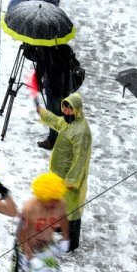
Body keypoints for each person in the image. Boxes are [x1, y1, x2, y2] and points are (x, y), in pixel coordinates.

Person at [35, 92, 91, 250]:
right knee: (61, 204)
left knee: (73, 209)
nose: (66, 112)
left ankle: (72, 242)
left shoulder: (82, 131)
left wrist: (72, 180)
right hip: (60, 175)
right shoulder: (68, 122)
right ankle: (61, 224)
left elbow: (81, 159)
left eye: (69, 110)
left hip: (71, 178)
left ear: (77, 110)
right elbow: (56, 121)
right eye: (64, 109)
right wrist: (44, 113)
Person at [22, 42, 81, 151]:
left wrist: (26, 47)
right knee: (64, 111)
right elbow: (76, 65)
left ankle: (52, 140)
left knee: (53, 114)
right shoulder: (66, 48)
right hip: (65, 86)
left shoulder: (45, 50)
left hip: (53, 88)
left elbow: (35, 59)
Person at [15, 173, 69, 272]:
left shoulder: (61, 204)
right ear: (42, 197)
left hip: (47, 246)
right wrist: (30, 257)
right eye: (50, 201)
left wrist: (65, 238)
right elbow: (20, 235)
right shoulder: (29, 209)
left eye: (56, 200)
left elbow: (64, 218)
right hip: (28, 250)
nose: (54, 203)